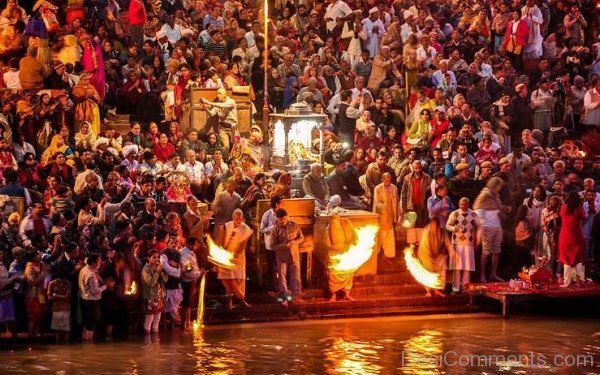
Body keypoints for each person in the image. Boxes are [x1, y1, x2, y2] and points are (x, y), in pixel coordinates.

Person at [473, 177, 509, 282]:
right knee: (486, 252)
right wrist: (482, 226)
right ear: (495, 185)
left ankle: (494, 274)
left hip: (497, 226)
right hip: (487, 227)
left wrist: (504, 209)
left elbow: (498, 208)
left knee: (497, 251)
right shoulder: (484, 195)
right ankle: (483, 275)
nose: (500, 188)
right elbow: (478, 210)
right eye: (499, 186)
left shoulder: (495, 196)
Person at [217, 209, 253, 310]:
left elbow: (243, 245)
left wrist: (235, 256)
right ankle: (230, 301)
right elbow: (220, 241)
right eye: (236, 219)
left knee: (239, 279)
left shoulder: (245, 228)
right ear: (233, 218)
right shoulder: (226, 226)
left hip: (239, 257)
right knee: (229, 281)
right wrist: (222, 254)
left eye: (240, 219)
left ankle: (241, 299)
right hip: (226, 257)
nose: (238, 221)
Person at [270, 208, 304, 306]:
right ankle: (284, 297)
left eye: (285, 219)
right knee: (282, 276)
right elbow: (272, 245)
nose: (284, 221)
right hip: (281, 256)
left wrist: (295, 242)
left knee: (295, 275)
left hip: (294, 254)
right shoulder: (275, 229)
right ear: (277, 219)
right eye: (281, 219)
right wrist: (285, 245)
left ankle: (296, 296)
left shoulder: (294, 225)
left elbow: (301, 237)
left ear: (287, 216)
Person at [446, 198, 479, 293]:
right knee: (457, 268)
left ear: (468, 204)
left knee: (467, 268)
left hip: (469, 244)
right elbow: (447, 225)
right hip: (456, 243)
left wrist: (477, 239)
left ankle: (465, 288)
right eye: (461, 204)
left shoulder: (473, 214)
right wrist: (454, 228)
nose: (463, 206)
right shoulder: (455, 214)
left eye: (465, 204)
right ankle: (455, 289)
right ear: (459, 204)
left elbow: (479, 226)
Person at [324, 214, 357, 301]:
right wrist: (335, 247)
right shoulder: (328, 228)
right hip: (334, 253)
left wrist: (349, 245)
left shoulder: (346, 224)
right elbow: (327, 243)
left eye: (336, 220)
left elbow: (353, 235)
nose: (335, 222)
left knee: (349, 272)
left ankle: (347, 293)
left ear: (339, 219)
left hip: (346, 251)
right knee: (333, 274)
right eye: (333, 221)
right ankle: (333, 294)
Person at [558, 191, 586, 287]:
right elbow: (584, 217)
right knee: (579, 259)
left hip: (565, 236)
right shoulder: (580, 208)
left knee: (566, 259)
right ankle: (578, 281)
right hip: (577, 236)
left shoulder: (563, 208)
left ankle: (567, 282)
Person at [417, 218, 449, 297]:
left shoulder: (442, 231)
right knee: (428, 270)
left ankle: (437, 289)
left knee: (443, 263)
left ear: (438, 227)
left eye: (436, 227)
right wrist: (431, 264)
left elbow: (448, 244)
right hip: (425, 255)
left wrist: (453, 254)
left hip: (437, 254)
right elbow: (426, 251)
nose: (434, 229)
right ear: (430, 226)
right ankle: (428, 290)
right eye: (433, 227)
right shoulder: (426, 233)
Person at [78, 253, 105, 341]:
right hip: (91, 301)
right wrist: (106, 286)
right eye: (99, 262)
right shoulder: (91, 275)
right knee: (91, 323)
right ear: (93, 263)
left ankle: (84, 341)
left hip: (84, 299)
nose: (100, 263)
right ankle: (88, 344)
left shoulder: (84, 269)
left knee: (87, 322)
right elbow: (95, 291)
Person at [202, 87, 237, 152]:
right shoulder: (218, 104)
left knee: (237, 146)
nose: (218, 95)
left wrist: (209, 103)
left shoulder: (231, 101)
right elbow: (211, 114)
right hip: (222, 127)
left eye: (220, 93)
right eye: (217, 93)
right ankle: (226, 160)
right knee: (225, 147)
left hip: (233, 127)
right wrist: (205, 109)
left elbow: (224, 105)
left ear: (225, 95)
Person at [141, 250, 167, 334]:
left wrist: (162, 272)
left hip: (158, 296)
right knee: (149, 319)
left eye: (158, 257)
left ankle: (155, 341)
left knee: (157, 319)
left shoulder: (157, 266)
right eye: (154, 257)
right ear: (148, 258)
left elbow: (165, 280)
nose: (157, 259)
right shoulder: (145, 269)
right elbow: (151, 283)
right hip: (150, 297)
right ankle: (147, 340)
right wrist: (157, 272)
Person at [373, 172, 398, 258]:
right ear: (382, 180)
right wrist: (384, 208)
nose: (388, 183)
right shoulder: (378, 188)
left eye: (389, 181)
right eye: (386, 181)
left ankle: (389, 253)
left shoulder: (394, 188)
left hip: (391, 215)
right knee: (380, 234)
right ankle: (378, 252)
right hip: (382, 215)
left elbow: (396, 202)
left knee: (389, 234)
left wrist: (396, 215)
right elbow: (377, 203)